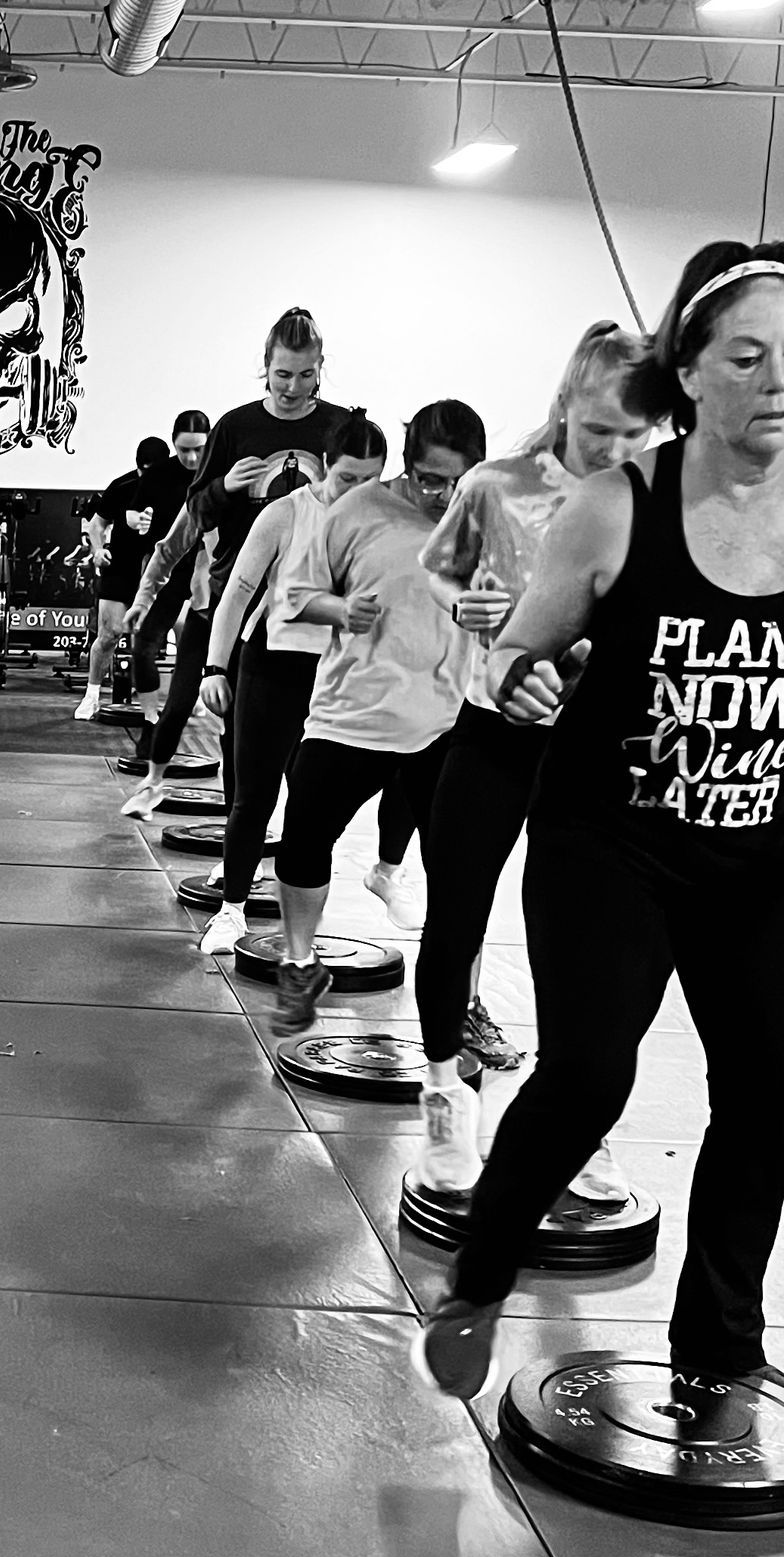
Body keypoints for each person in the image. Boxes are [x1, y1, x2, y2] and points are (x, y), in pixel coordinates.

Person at [416, 243, 784, 1401]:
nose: (779, 379)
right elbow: (519, 651)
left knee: (771, 1089)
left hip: (761, 858)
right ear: (692, 369)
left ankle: (720, 1348)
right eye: (750, 356)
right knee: (589, 1073)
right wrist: (525, 676)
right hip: (608, 845)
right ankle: (481, 1278)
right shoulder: (616, 506)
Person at [412, 325, 661, 1201]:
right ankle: (444, 1095)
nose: (617, 453)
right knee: (456, 914)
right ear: (565, 406)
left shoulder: (652, 501)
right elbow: (438, 566)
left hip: (594, 749)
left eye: (637, 436)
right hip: (493, 730)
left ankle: (577, 1124)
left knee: (590, 951)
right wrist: (467, 603)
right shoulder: (495, 486)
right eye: (599, 433)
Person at [265, 400, 487, 1037]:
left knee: (462, 877)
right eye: (427, 479)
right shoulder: (356, 511)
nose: (440, 495)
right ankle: (301, 965)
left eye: (456, 482)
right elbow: (296, 599)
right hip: (349, 716)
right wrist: (341, 612)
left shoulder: (490, 519)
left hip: (446, 724)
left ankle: (465, 1007)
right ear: (407, 462)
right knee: (304, 844)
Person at [122, 310, 351, 819]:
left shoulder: (337, 428)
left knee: (306, 739)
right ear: (265, 367)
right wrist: (225, 488)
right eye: (282, 374)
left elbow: (362, 508)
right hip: (237, 598)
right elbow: (194, 513)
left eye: (306, 374)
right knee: (239, 731)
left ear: (320, 369)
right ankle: (235, 833)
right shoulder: (236, 427)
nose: (293, 387)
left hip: (310, 605)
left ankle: (285, 845)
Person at [193, 409, 393, 955]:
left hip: (339, 674)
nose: (359, 490)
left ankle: (310, 923)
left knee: (312, 808)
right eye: (348, 478)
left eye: (371, 480)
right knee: (254, 797)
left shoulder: (386, 523)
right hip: (273, 665)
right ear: (325, 465)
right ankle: (232, 909)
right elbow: (237, 592)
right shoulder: (286, 513)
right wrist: (214, 668)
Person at [75, 413, 210, 721]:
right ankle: (92, 695)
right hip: (121, 566)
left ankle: (189, 692)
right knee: (109, 633)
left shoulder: (192, 483)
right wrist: (98, 551)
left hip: (165, 569)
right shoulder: (121, 486)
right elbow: (98, 524)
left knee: (185, 632)